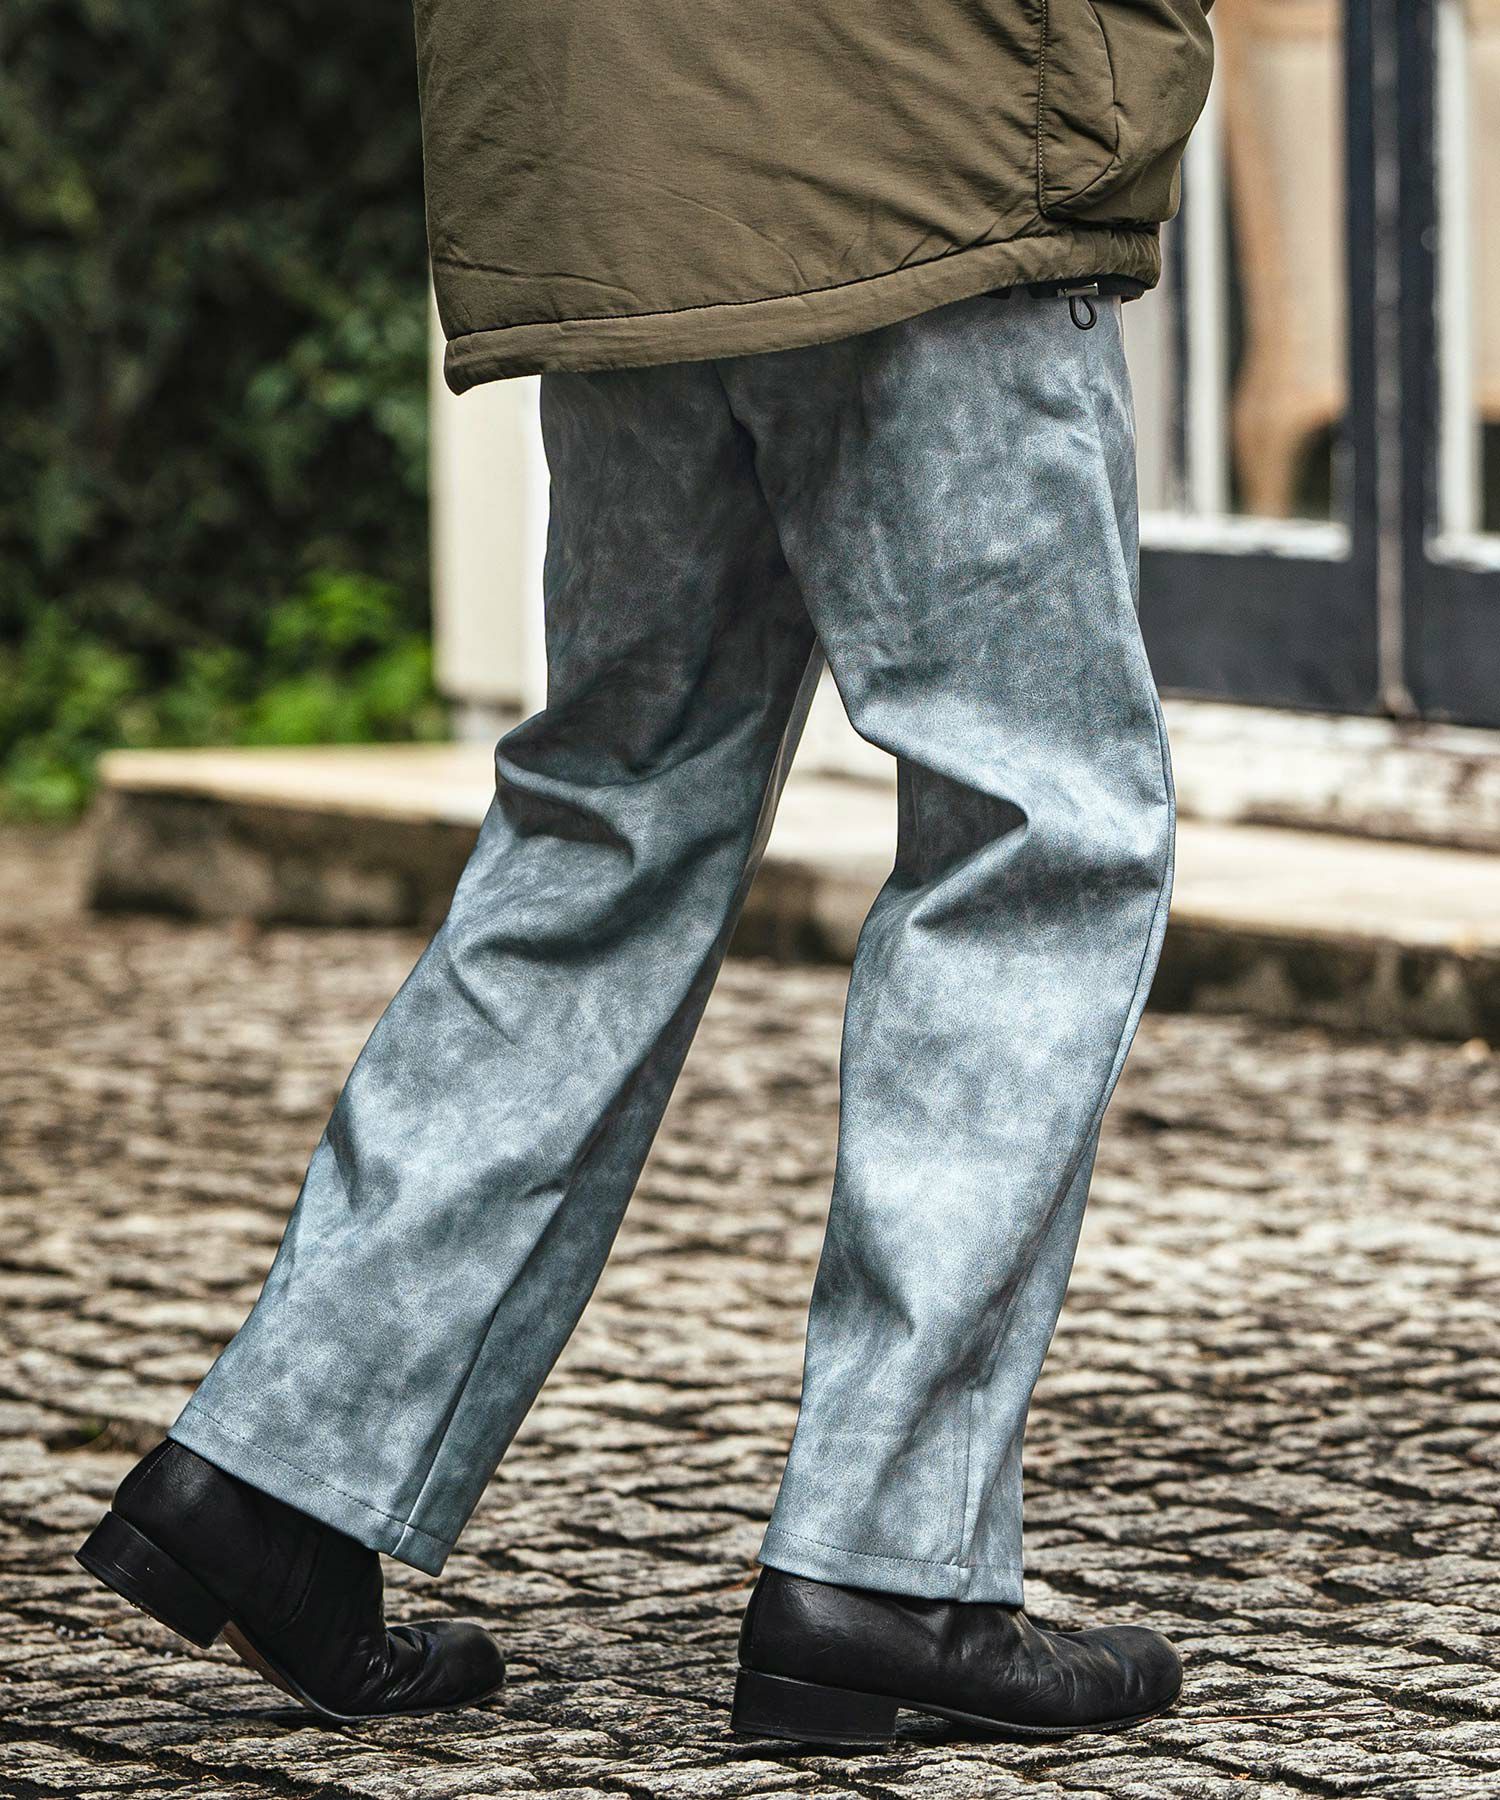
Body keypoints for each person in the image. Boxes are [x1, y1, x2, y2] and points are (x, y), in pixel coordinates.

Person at [78, 0, 1215, 1746]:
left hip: (604, 139)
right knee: (1034, 830)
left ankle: (282, 1473)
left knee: (612, 814)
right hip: (930, 121)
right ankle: (888, 1568)